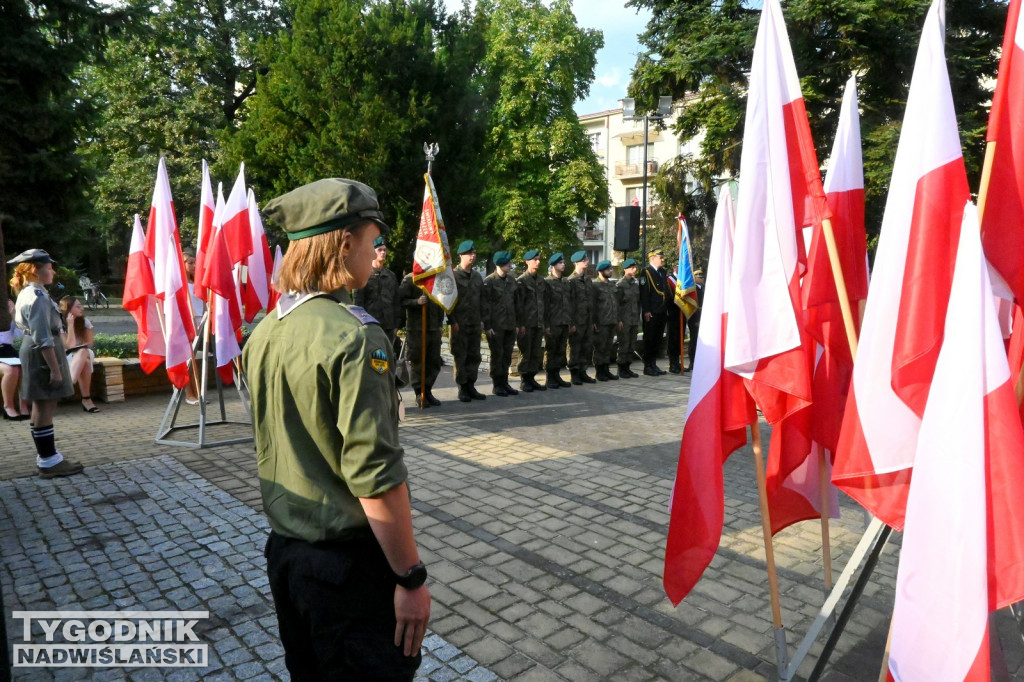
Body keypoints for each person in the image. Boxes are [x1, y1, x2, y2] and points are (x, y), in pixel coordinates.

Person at [243, 178, 430, 680]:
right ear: (345, 242)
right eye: (372, 241)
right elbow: (374, 473)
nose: (376, 253)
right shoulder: (354, 334)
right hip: (347, 570)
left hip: (288, 556)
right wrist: (410, 576)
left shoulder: (265, 330)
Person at [8, 249, 84, 478]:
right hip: (42, 353)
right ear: (34, 270)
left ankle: (48, 457)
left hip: (39, 349)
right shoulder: (36, 297)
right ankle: (49, 461)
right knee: (44, 406)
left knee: (43, 406)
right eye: (48, 267)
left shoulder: (31, 292)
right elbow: (42, 337)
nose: (52, 270)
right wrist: (55, 369)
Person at [449, 240, 487, 402]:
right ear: (461, 256)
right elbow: (448, 301)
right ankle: (462, 387)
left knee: (474, 355)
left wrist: (482, 320)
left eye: (474, 253)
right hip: (460, 323)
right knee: (460, 355)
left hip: (474, 322)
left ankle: (471, 385)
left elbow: (482, 301)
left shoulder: (477, 277)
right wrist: (452, 321)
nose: (472, 256)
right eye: (469, 254)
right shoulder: (453, 276)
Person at [399, 273, 444, 407]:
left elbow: (440, 302)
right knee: (418, 361)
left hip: (433, 327)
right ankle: (419, 392)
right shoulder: (410, 279)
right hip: (417, 328)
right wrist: (416, 302)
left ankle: (428, 390)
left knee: (434, 361)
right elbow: (400, 300)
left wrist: (440, 324)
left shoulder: (435, 278)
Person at [482, 251, 519, 397]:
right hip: (496, 326)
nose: (510, 265)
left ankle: (505, 382)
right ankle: (497, 385)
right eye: (507, 263)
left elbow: (516, 304)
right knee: (497, 356)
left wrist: (517, 323)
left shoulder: (512, 280)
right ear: (500, 264)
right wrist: (487, 326)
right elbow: (485, 305)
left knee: (507, 355)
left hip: (510, 324)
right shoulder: (489, 281)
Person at [354, 237, 402, 344]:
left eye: (385, 250)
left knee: (388, 357)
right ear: (372, 252)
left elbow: (396, 302)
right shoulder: (363, 275)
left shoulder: (390, 276)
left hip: (388, 327)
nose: (383, 252)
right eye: (380, 250)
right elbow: (358, 303)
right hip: (370, 324)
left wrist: (396, 325)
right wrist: (361, 324)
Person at [58, 296, 100, 413]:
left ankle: (70, 383)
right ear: (68, 309)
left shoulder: (84, 321)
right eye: (78, 306)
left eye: (81, 305)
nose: (82, 308)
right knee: (85, 362)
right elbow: (68, 345)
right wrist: (70, 325)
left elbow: (90, 342)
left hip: (84, 352)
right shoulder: (60, 323)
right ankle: (86, 400)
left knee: (83, 352)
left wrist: (80, 347)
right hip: (67, 356)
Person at [515, 249, 546, 392]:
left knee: (535, 352)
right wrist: (520, 324)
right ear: (527, 262)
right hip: (526, 324)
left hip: (538, 322)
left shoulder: (541, 280)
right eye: (535, 259)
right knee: (525, 352)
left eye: (539, 259)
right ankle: (524, 379)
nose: (538, 262)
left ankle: (532, 378)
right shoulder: (521, 281)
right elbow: (518, 304)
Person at [542, 252, 573, 389]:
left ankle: (557, 375)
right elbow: (545, 305)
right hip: (553, 322)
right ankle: (550, 377)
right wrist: (546, 324)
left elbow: (569, 303)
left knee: (560, 351)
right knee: (551, 350)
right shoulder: (547, 282)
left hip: (564, 321)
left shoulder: (566, 282)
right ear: (553, 266)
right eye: (560, 263)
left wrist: (570, 322)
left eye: (564, 262)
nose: (563, 264)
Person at [639, 247, 671, 376]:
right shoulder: (646, 272)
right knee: (650, 339)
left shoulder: (662, 272)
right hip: (651, 311)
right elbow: (644, 293)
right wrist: (646, 310)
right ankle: (648, 366)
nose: (662, 259)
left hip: (661, 310)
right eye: (660, 257)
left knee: (658, 338)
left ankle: (654, 364)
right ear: (652, 258)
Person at [566, 251, 596, 385]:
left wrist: (593, 320)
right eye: (584, 260)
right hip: (576, 321)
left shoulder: (588, 279)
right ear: (576, 263)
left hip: (588, 320)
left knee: (586, 347)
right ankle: (574, 373)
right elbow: (568, 304)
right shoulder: (571, 280)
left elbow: (591, 301)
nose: (587, 261)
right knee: (574, 348)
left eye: (587, 259)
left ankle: (583, 372)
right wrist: (571, 323)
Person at [1, 299, 30, 420]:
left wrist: (13, 314)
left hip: (8, 350)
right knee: (11, 370)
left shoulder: (4, 309)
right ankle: (8, 406)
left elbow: (20, 334)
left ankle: (23, 405)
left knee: (23, 367)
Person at [591, 260, 619, 381]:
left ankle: (606, 369)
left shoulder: (611, 285)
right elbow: (592, 305)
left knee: (608, 347)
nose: (610, 271)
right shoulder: (595, 285)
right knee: (600, 348)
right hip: (601, 322)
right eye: (608, 269)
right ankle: (599, 371)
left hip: (612, 321)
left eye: (611, 269)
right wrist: (594, 322)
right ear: (601, 271)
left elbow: (616, 304)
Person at [615, 258, 641, 378]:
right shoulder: (620, 285)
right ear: (625, 269)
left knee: (632, 344)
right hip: (624, 320)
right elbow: (617, 304)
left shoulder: (635, 284)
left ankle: (628, 367)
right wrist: (619, 319)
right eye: (632, 267)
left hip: (634, 319)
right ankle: (621, 368)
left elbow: (638, 302)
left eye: (635, 267)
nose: (634, 269)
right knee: (624, 344)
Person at [686, 269, 706, 372]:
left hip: (703, 317)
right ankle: (692, 361)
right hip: (695, 317)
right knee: (694, 340)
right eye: (700, 277)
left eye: (703, 277)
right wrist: (695, 319)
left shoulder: (704, 288)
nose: (702, 279)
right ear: (695, 278)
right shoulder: (693, 290)